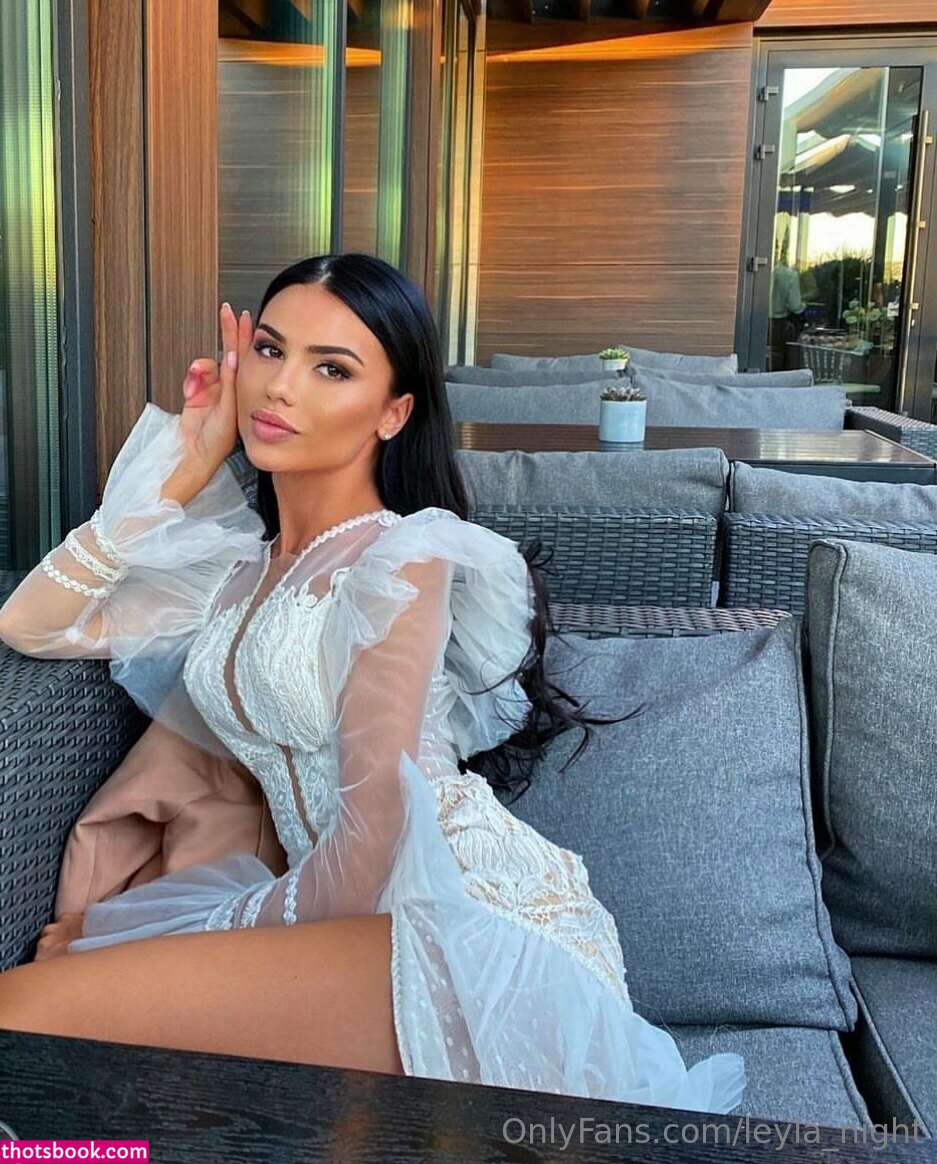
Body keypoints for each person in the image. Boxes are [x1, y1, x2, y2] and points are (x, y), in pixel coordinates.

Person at [0, 253, 745, 1112]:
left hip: (463, 913)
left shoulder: (402, 558)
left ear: (393, 412)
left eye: (332, 369)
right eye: (270, 351)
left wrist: (170, 935)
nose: (281, 388)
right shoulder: (230, 571)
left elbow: (373, 841)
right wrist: (186, 467)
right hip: (343, 911)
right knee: (41, 1024)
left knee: (24, 1012)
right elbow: (31, 624)